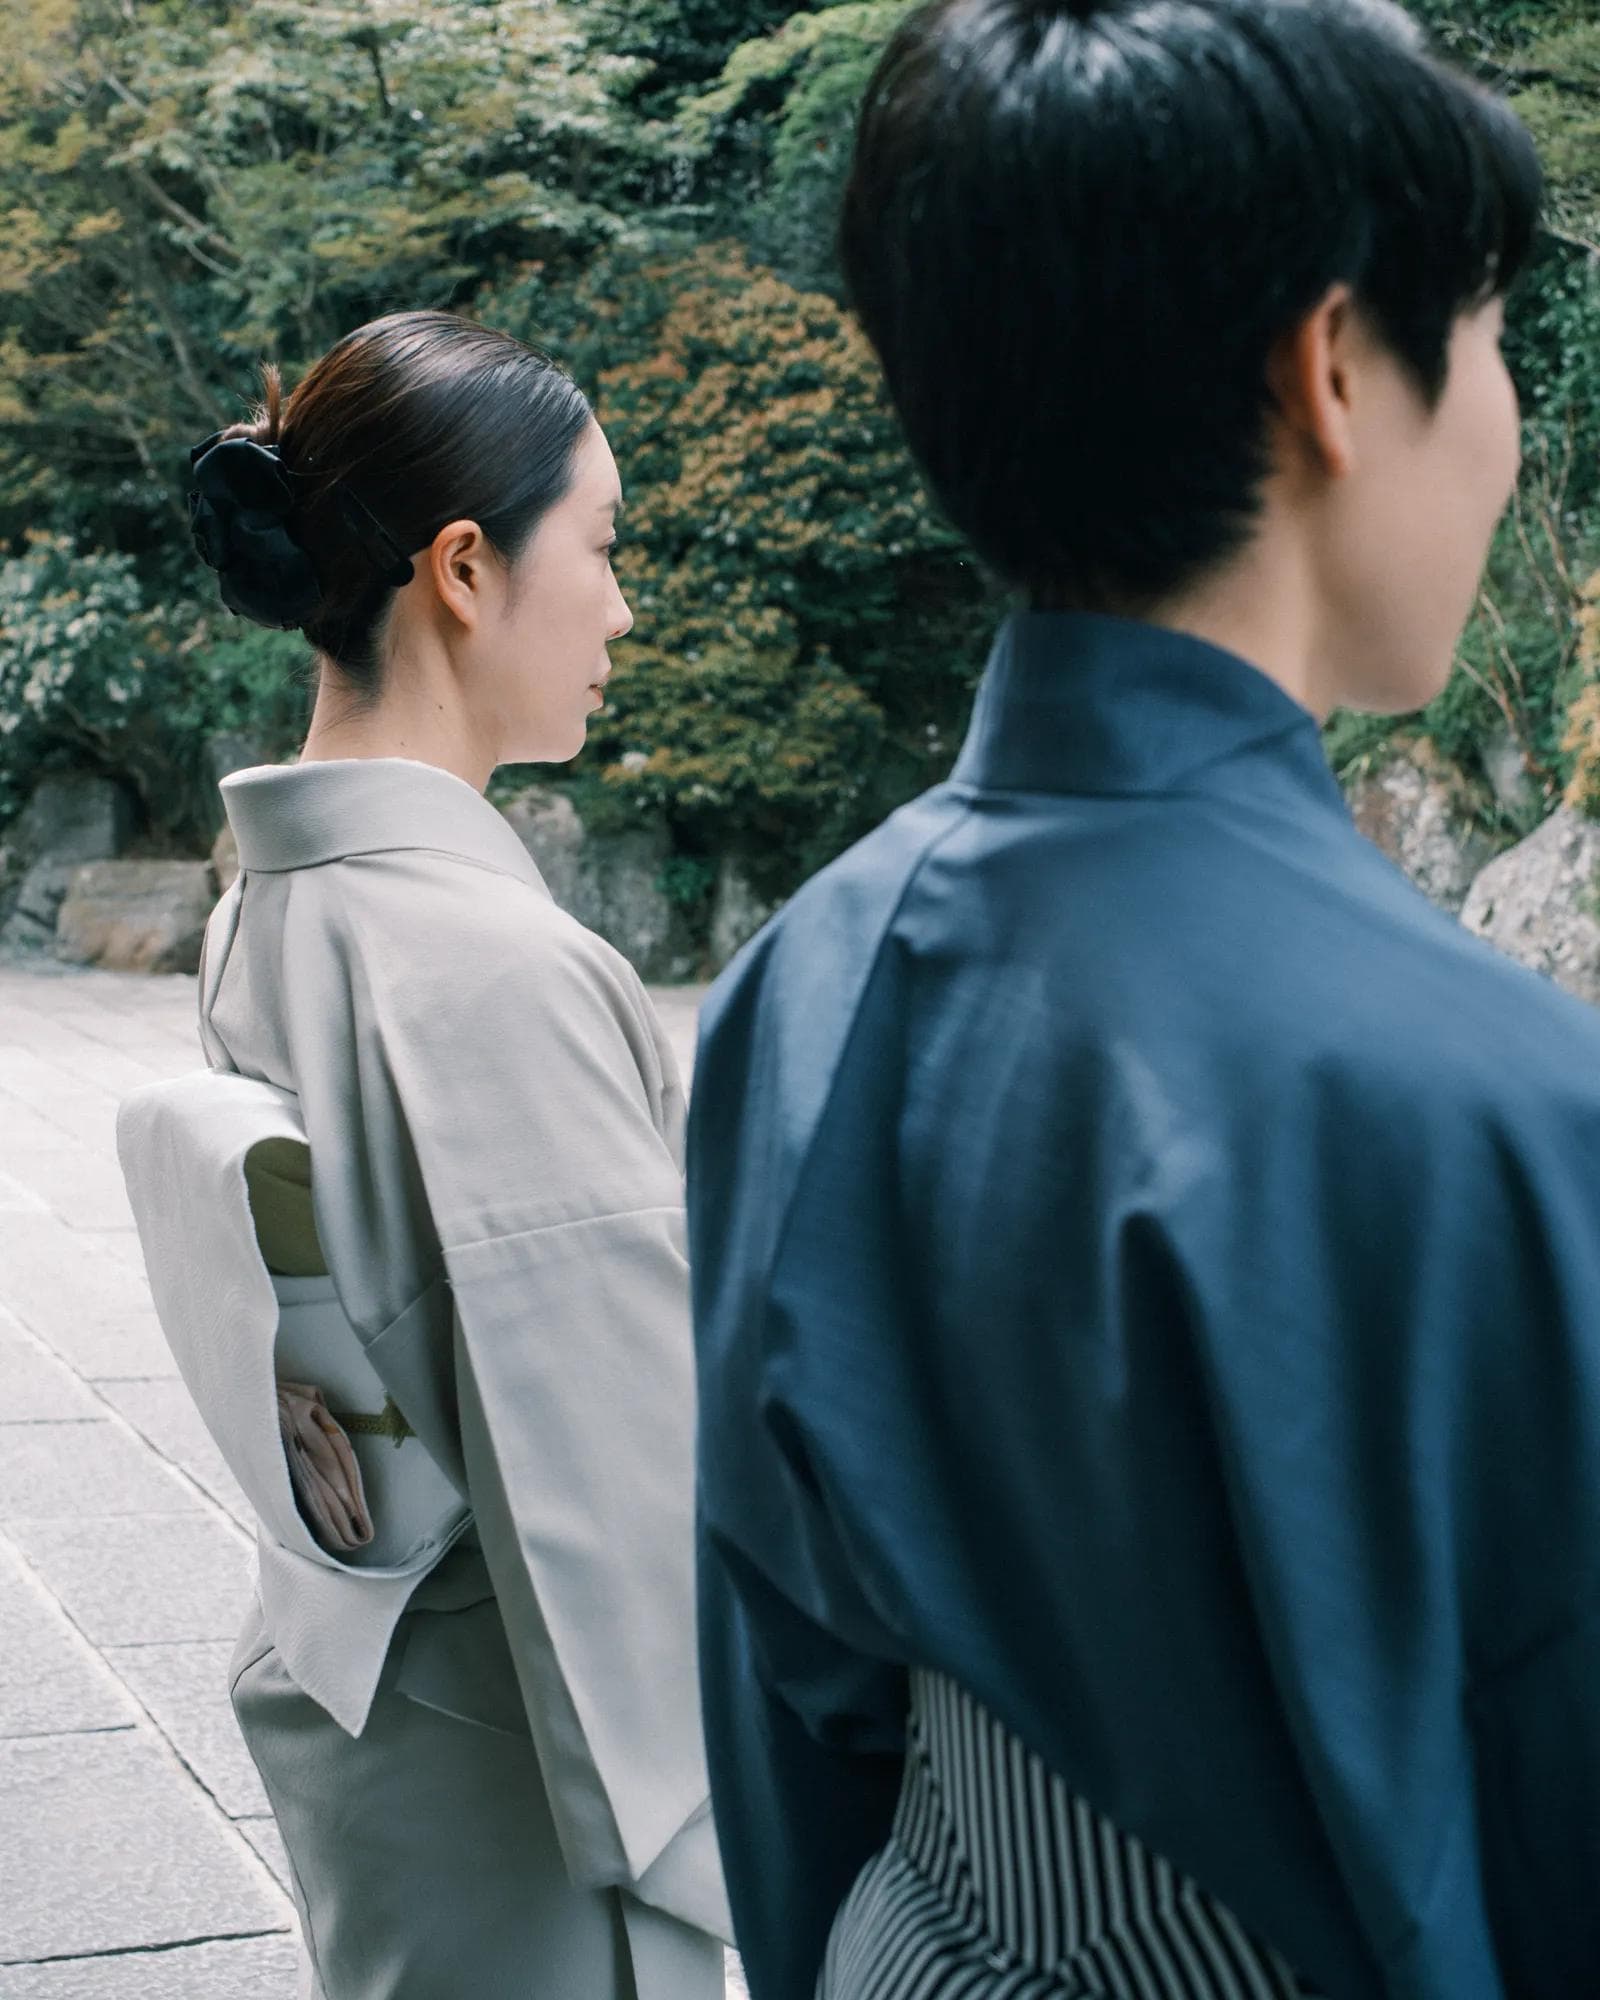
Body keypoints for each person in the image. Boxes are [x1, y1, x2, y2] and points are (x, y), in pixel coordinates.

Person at [686, 3, 1600, 1996]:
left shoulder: (800, 976)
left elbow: (787, 1695)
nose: (1507, 418)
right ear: (1332, 368)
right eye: (1488, 333)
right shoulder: (1505, 1098)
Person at [125, 311, 728, 1999]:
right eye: (601, 547)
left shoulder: (272, 906)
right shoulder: (492, 966)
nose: (621, 607)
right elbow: (610, 1481)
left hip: (384, 1707)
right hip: (533, 1785)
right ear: (464, 569)